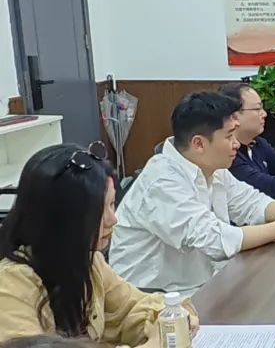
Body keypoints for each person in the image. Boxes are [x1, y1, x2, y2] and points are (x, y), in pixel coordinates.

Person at [109, 91, 275, 297]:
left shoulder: (213, 167)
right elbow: (216, 239)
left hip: (202, 285)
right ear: (199, 143)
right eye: (229, 136)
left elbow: (251, 203)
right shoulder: (162, 181)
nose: (236, 144)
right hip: (154, 299)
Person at [0, 143, 196, 346]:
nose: (113, 219)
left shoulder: (89, 262)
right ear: (62, 217)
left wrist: (170, 319)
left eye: (112, 204)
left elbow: (134, 308)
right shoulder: (11, 285)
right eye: (100, 210)